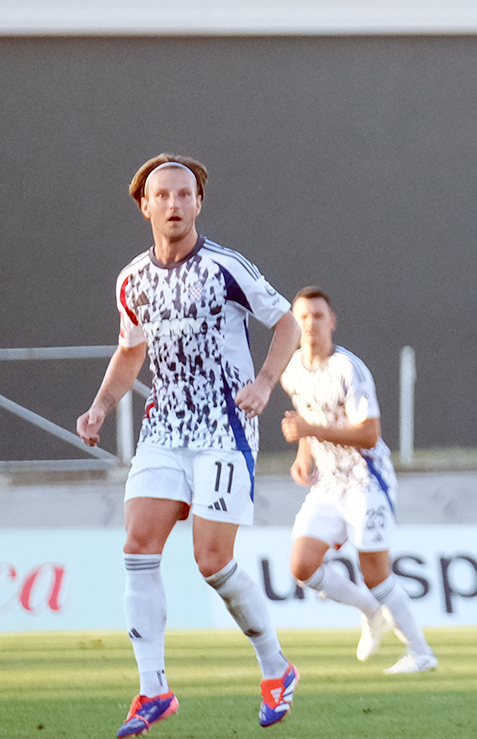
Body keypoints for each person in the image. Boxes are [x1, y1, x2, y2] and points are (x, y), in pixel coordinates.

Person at [77, 154, 302, 737]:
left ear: (198, 204)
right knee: (137, 545)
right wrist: (101, 406)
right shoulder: (132, 280)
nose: (174, 204)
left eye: (185, 194)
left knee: (211, 561)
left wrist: (264, 383)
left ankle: (277, 670)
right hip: (164, 429)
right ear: (145, 206)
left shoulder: (226, 268)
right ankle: (153, 690)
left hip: (223, 430)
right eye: (163, 195)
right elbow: (131, 351)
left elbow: (288, 324)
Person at [279, 287, 437, 674]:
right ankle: (370, 611)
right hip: (329, 483)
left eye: (318, 316)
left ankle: (421, 653)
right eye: (302, 317)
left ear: (332, 321)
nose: (310, 324)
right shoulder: (292, 369)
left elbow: (368, 434)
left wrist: (308, 429)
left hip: (368, 481)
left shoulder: (349, 369)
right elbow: (306, 416)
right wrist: (304, 454)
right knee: (301, 566)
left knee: (375, 573)